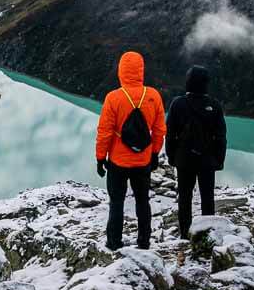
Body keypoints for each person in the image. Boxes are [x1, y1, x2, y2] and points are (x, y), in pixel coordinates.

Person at [95, 51, 166, 250]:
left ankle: (114, 242)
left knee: (116, 203)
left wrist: (101, 158)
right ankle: (144, 241)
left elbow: (105, 132)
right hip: (143, 161)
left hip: (118, 163)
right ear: (141, 70)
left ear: (121, 71)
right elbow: (160, 130)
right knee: (143, 202)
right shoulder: (153, 95)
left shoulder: (113, 98)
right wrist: (154, 154)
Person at [165, 64, 227, 239]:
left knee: (184, 198)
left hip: (184, 160)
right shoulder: (214, 105)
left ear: (188, 82)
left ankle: (185, 234)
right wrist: (219, 160)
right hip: (207, 160)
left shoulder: (178, 104)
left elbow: (170, 134)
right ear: (206, 83)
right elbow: (221, 136)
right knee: (208, 197)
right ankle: (208, 234)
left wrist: (171, 156)